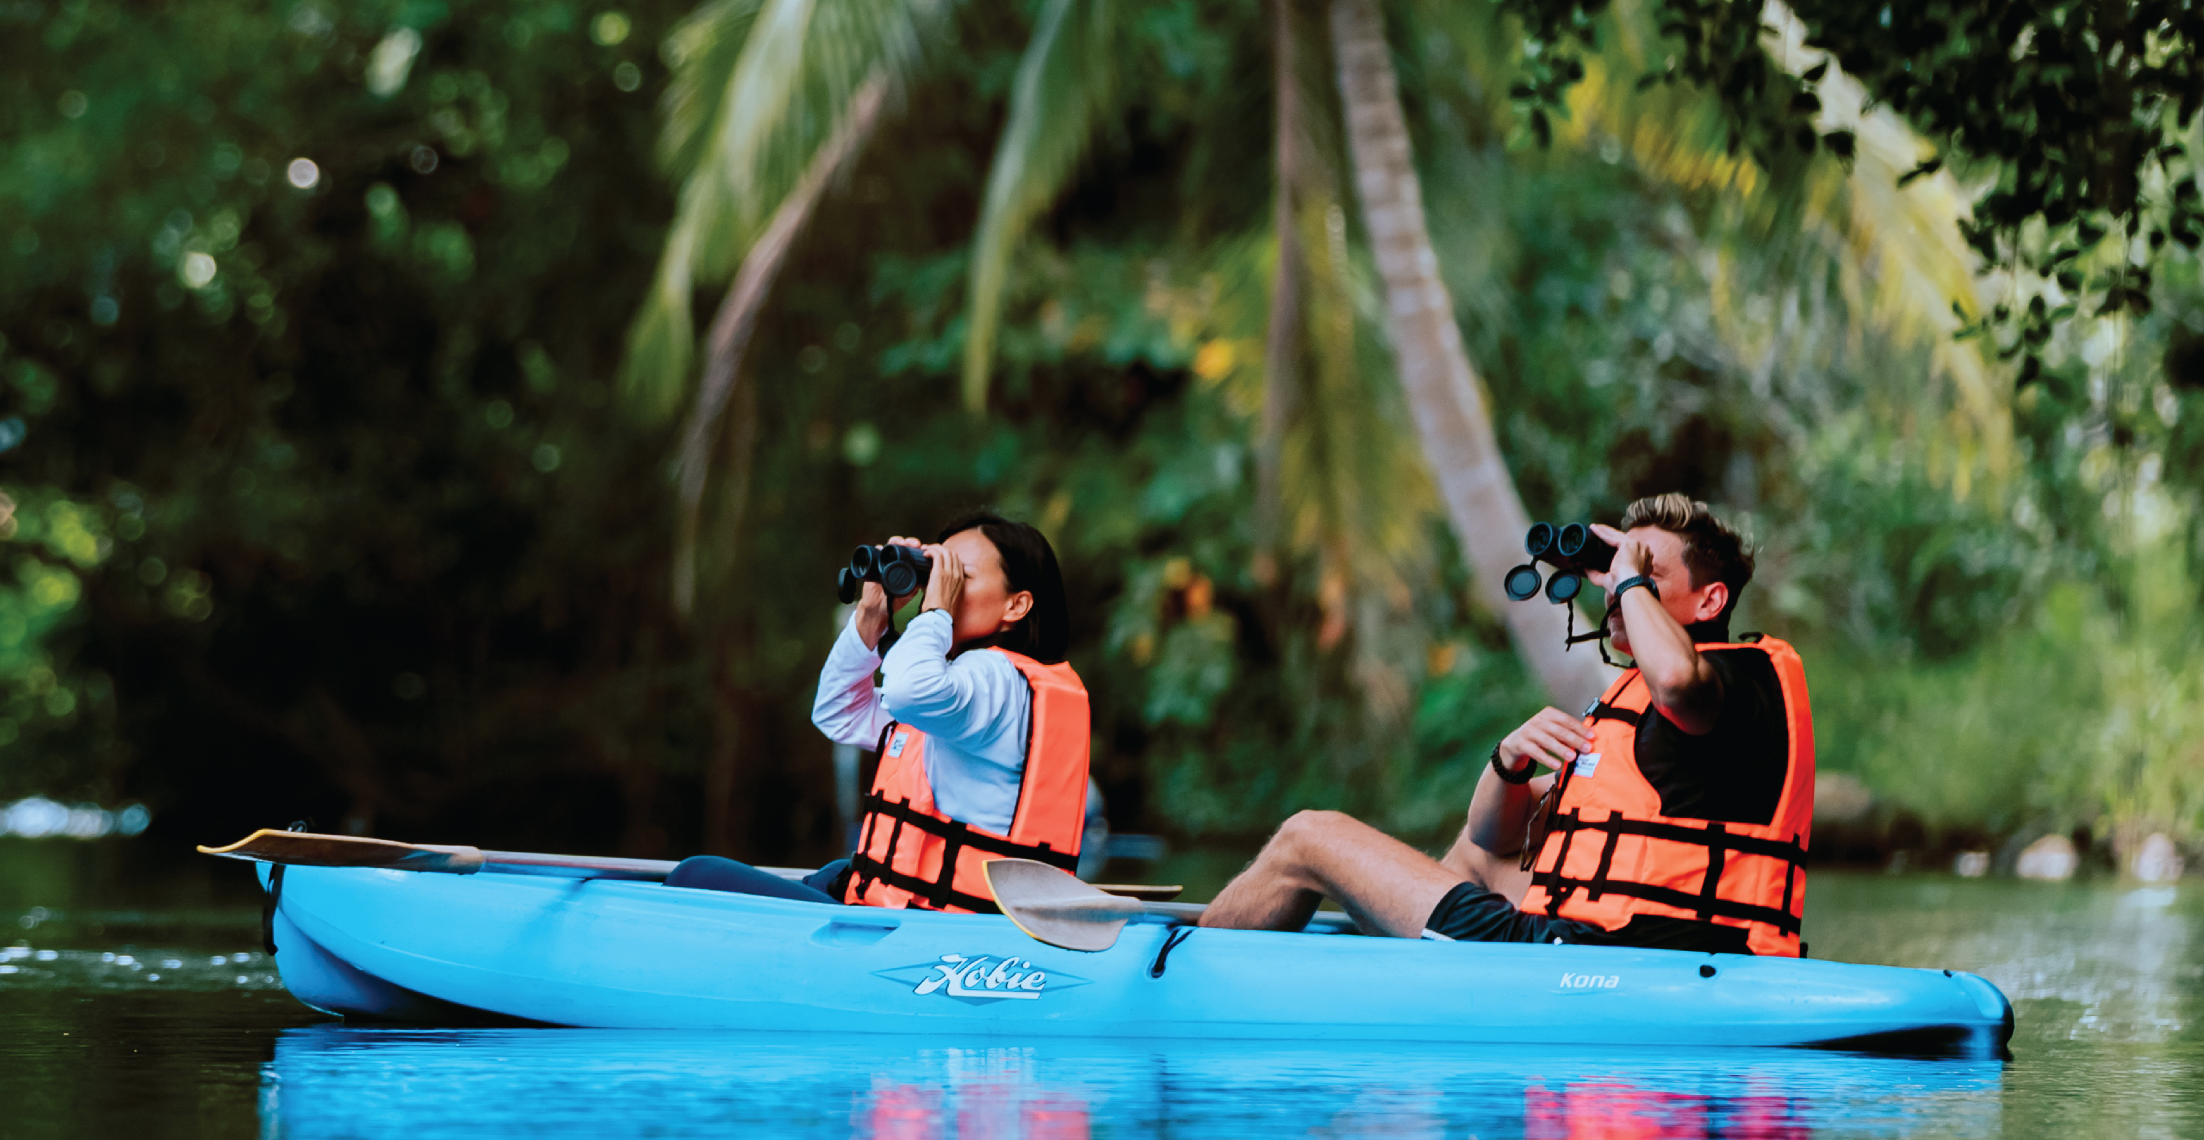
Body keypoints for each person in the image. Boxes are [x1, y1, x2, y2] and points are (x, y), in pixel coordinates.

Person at [1195, 493, 1817, 954]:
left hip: (1609, 953)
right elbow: (1494, 840)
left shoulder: (1735, 684)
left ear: (1710, 601)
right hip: (1613, 940)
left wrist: (1629, 577)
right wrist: (1509, 763)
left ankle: (1188, 971)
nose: (1618, 590)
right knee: (1472, 853)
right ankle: (1414, 969)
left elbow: (1679, 681)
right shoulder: (1638, 710)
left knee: (1309, 835)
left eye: (1649, 574)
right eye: (1620, 573)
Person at [668, 514, 1092, 910]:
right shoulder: (960, 694)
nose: (938, 589)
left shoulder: (994, 680)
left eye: (957, 577)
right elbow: (839, 712)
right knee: (837, 872)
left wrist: (935, 613)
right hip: (914, 908)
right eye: (935, 574)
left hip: (933, 929)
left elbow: (907, 689)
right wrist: (872, 614)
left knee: (696, 874)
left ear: (1016, 606)